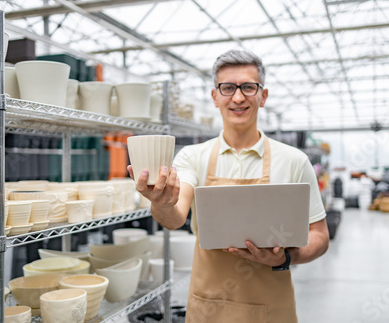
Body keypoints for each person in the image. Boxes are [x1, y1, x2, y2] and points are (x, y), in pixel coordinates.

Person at [128, 49, 329, 322]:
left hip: (271, 310)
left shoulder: (294, 160)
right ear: (215, 97)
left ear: (263, 96)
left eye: (248, 87)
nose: (237, 97)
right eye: (227, 88)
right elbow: (174, 218)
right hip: (209, 306)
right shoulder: (192, 157)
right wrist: (160, 202)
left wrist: (284, 258)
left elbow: (319, 236)